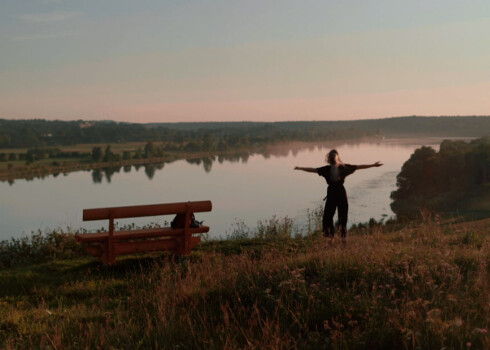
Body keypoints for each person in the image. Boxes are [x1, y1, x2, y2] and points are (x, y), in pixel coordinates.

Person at [294, 149, 382, 242]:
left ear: (337, 158)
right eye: (332, 157)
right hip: (333, 193)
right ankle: (330, 238)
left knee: (342, 215)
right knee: (328, 216)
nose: (333, 158)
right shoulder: (327, 169)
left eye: (334, 156)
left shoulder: (343, 167)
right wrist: (300, 168)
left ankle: (342, 237)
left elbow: (359, 167)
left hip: (339, 193)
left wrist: (373, 165)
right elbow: (313, 170)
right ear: (331, 158)